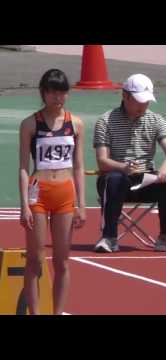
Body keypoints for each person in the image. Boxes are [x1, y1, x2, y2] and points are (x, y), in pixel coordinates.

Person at [93, 73, 166, 253]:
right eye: (139, 101)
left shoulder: (155, 120)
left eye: (146, 101)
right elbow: (102, 161)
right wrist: (123, 167)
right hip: (117, 181)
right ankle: (109, 237)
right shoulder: (106, 121)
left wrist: (164, 168)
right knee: (115, 179)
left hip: (145, 180)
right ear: (125, 96)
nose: (143, 106)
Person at [18, 69, 86, 315]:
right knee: (35, 259)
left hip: (65, 192)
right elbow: (24, 168)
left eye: (62, 91)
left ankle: (57, 312)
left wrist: (81, 204)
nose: (58, 97)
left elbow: (79, 167)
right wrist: (24, 204)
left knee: (62, 260)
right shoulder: (29, 124)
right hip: (38, 191)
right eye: (53, 91)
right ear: (43, 93)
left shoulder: (75, 124)